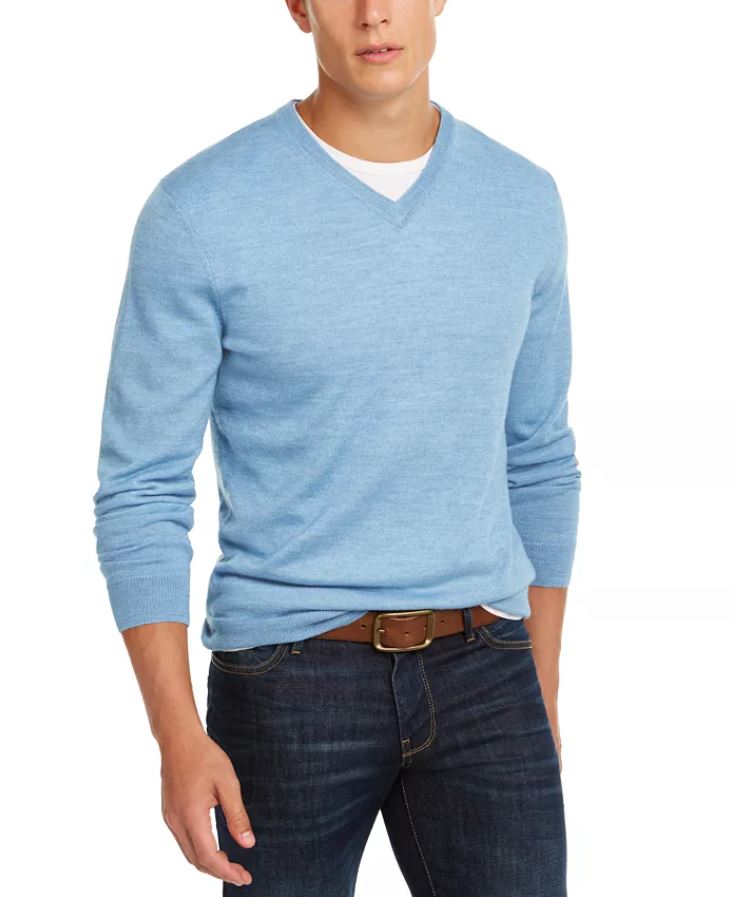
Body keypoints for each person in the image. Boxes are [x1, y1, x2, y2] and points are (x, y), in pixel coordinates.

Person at [92, 1, 582, 894]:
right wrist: (176, 733)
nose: (373, 13)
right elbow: (143, 487)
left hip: (488, 667)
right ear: (298, 5)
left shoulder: (522, 201)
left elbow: (539, 454)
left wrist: (540, 678)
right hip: (289, 676)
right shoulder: (200, 210)